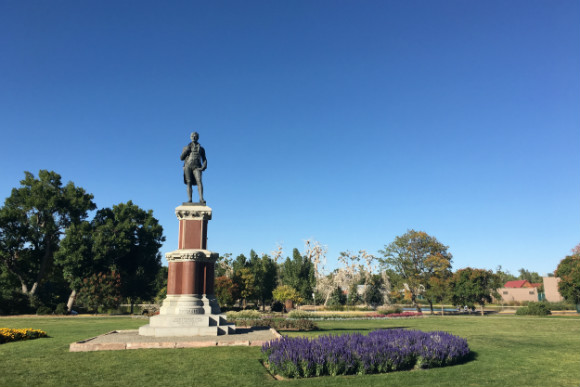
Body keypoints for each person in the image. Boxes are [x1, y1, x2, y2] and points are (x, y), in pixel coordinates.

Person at [180, 132, 207, 204]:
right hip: (188, 165)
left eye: (195, 136)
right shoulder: (186, 147)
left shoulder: (201, 148)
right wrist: (186, 150)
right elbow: (181, 158)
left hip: (197, 166)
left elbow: (204, 159)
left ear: (197, 137)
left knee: (199, 181)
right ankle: (189, 199)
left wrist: (204, 166)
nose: (194, 137)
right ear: (190, 137)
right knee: (189, 182)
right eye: (192, 136)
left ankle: (201, 198)